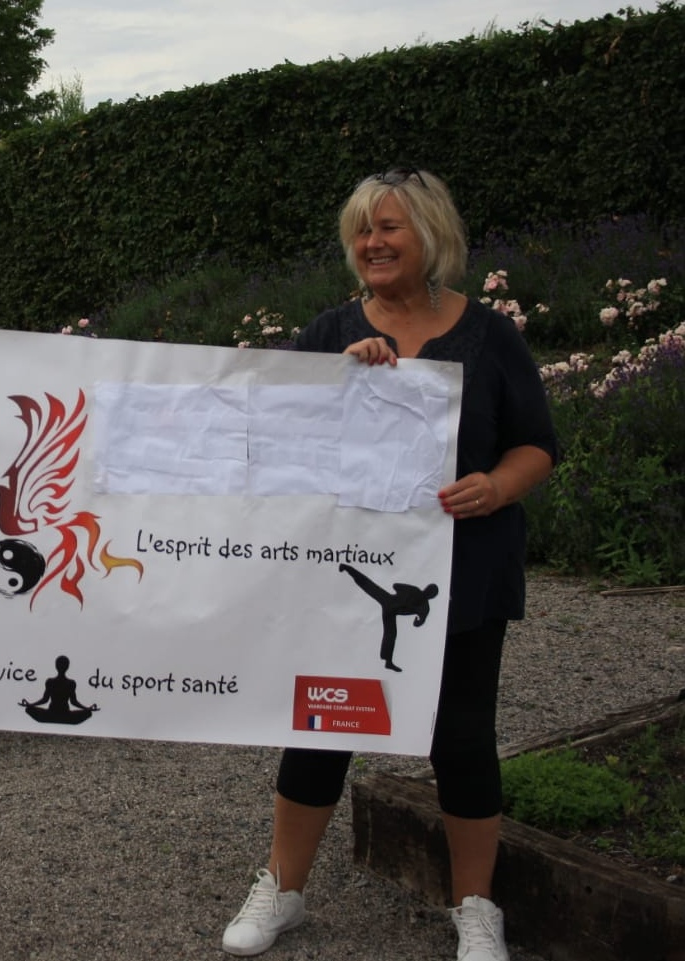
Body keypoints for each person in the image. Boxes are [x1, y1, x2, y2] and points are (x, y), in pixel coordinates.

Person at [220, 168, 557, 961]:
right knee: (321, 727)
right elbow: (273, 444)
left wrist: (496, 485)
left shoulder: (490, 336)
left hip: (464, 575)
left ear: (430, 234)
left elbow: (537, 443)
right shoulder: (330, 333)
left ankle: (476, 907)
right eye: (362, 230)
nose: (371, 242)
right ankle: (284, 887)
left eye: (388, 227)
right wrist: (339, 382)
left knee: (462, 737)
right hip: (345, 577)